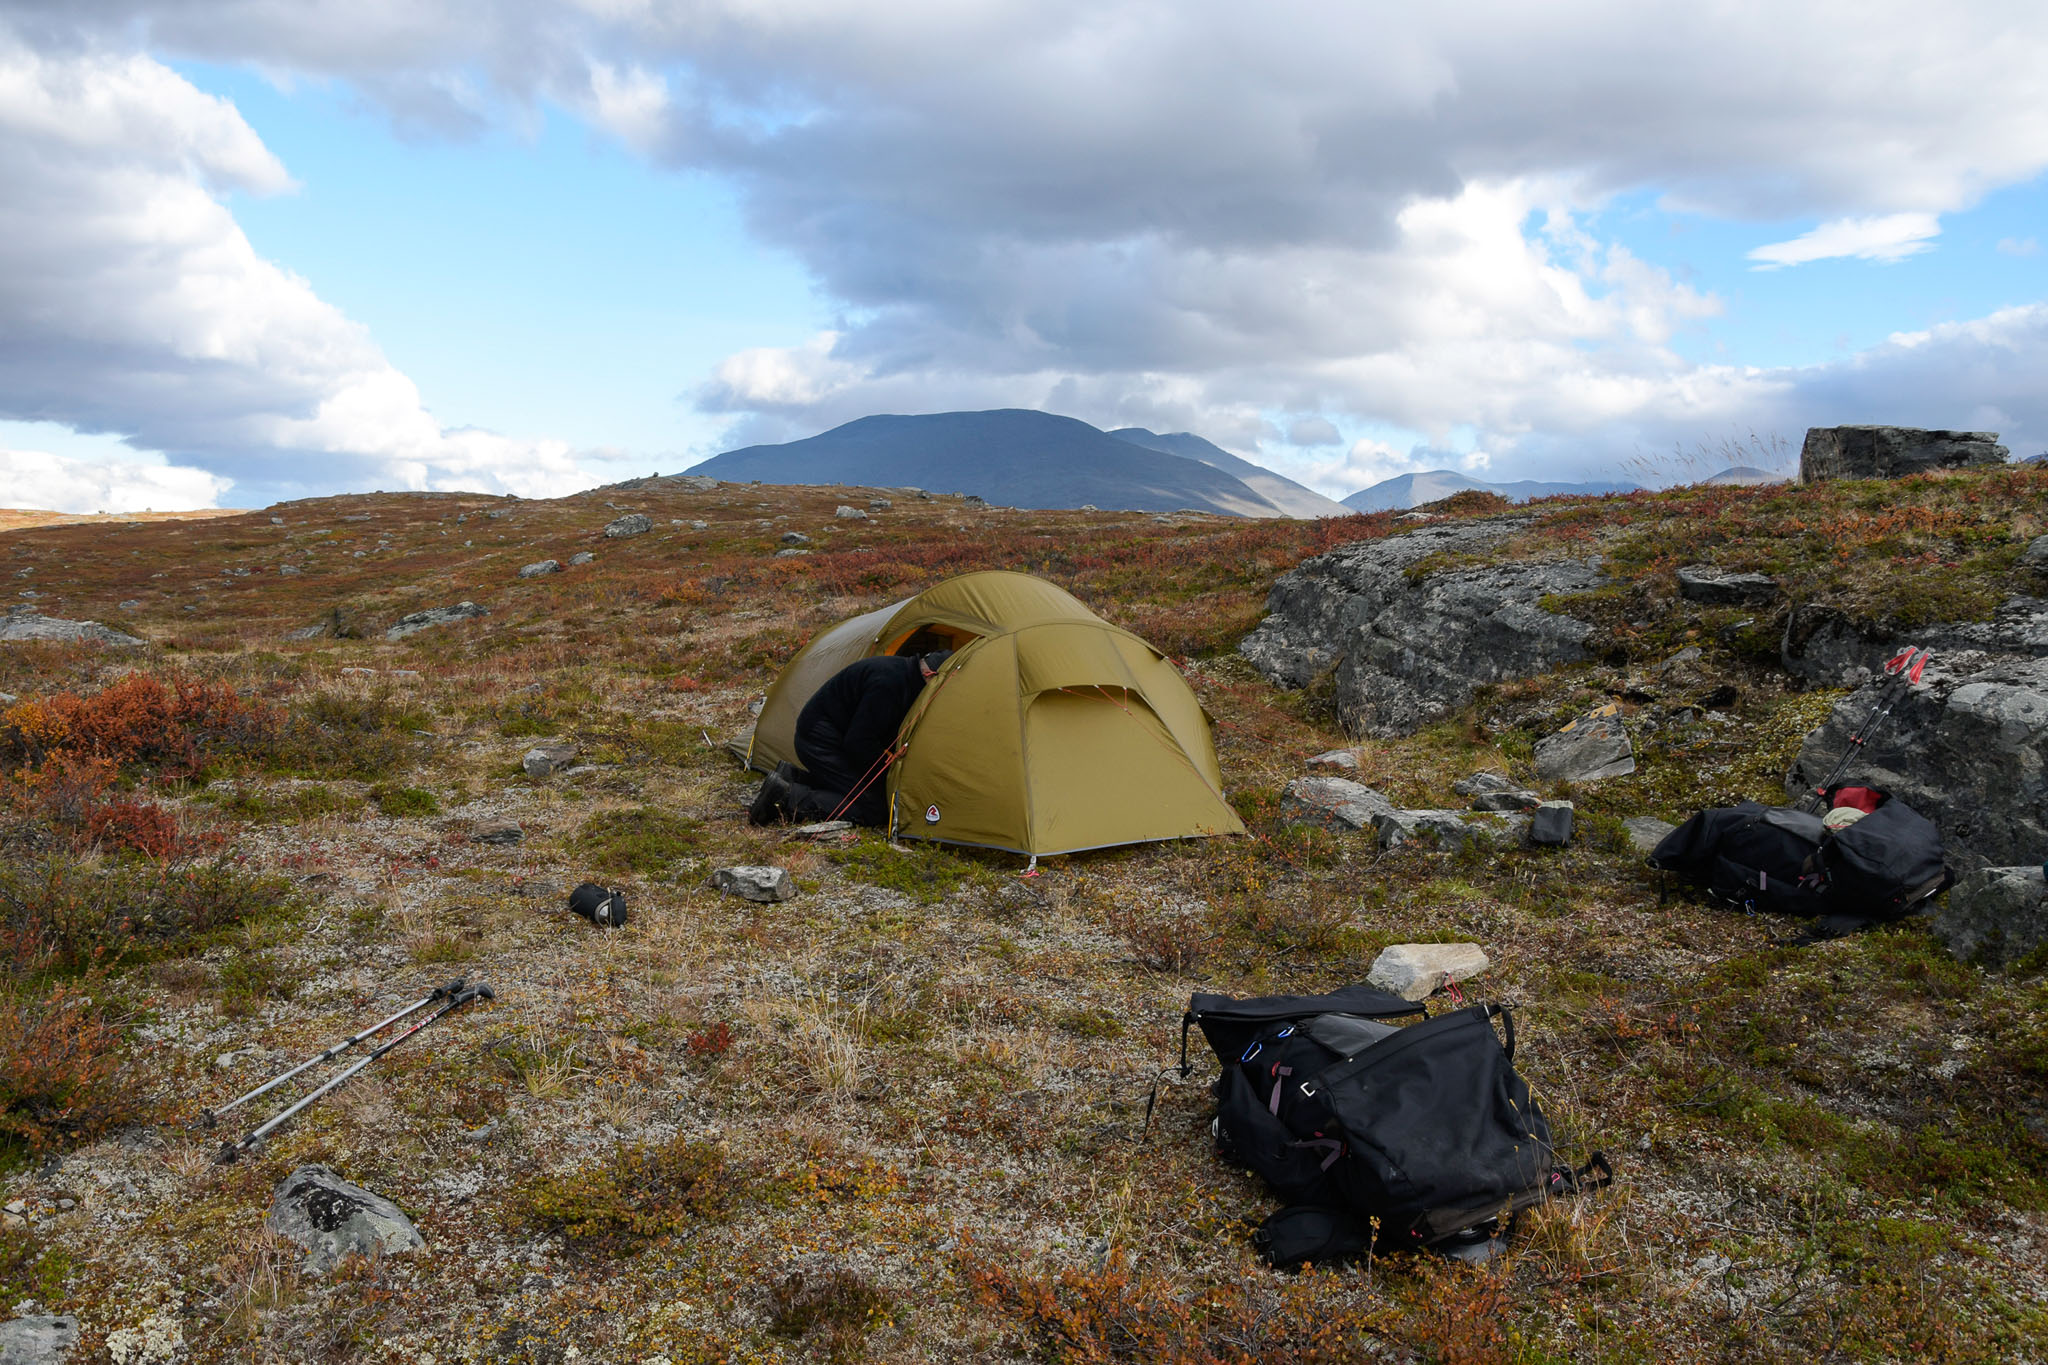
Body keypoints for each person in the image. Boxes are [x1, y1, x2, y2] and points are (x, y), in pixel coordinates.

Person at [750, 650, 951, 827]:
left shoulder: (902, 673)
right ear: (930, 675)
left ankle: (792, 776)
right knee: (875, 807)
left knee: (862, 790)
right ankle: (786, 798)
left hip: (827, 736)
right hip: (818, 742)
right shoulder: (890, 684)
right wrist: (886, 773)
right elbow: (858, 742)